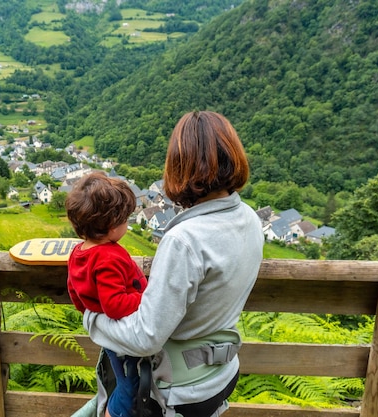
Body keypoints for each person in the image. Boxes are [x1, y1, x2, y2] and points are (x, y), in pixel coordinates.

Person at [82, 111, 264, 417]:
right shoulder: (249, 219)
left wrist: (91, 319)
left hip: (178, 391)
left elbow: (145, 338)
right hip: (220, 375)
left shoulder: (185, 240)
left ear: (179, 165)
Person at [66, 171, 149, 417]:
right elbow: (115, 305)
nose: (128, 223)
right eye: (126, 219)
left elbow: (74, 291)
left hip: (109, 334)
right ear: (112, 226)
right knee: (130, 384)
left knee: (124, 379)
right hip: (123, 334)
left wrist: (91, 311)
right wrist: (149, 298)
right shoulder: (107, 258)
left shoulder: (80, 252)